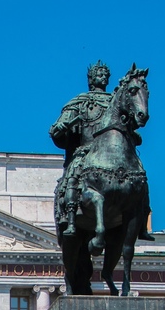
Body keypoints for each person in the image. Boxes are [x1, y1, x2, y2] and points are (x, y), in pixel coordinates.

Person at [49, 60, 154, 241]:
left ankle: (142, 217)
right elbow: (60, 126)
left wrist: (132, 133)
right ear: (91, 78)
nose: (102, 77)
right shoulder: (80, 102)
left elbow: (132, 127)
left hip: (117, 153)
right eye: (99, 74)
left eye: (105, 74)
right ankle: (70, 218)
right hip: (86, 151)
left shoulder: (117, 100)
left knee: (141, 176)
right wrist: (61, 127)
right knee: (73, 173)